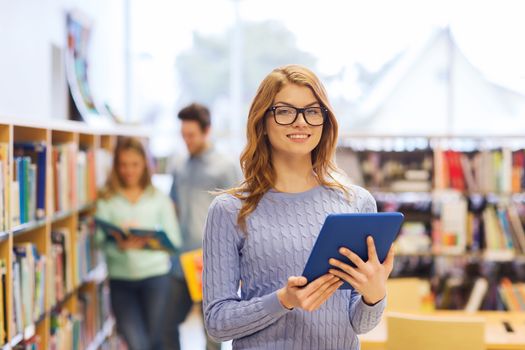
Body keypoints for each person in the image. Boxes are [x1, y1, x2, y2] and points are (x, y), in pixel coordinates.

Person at [202, 65, 394, 349]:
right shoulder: (230, 210)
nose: (301, 122)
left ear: (324, 121)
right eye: (285, 111)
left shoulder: (357, 202)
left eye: (312, 111)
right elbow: (217, 323)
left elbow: (360, 323)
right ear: (262, 122)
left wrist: (374, 294)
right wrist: (283, 300)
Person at [164, 103, 239, 350]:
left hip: (212, 263)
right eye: (183, 135)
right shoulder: (178, 164)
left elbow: (240, 212)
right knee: (166, 324)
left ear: (207, 131)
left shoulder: (226, 166)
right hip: (179, 262)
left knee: (212, 333)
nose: (187, 141)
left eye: (192, 135)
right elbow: (172, 206)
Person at [96, 137, 181, 350]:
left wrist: (148, 241)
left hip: (156, 279)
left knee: (156, 342)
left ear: (145, 165)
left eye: (134, 164)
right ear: (116, 166)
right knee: (138, 344)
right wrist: (118, 244)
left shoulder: (158, 198)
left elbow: (174, 241)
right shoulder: (107, 199)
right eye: (123, 165)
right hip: (121, 281)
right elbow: (98, 241)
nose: (129, 171)